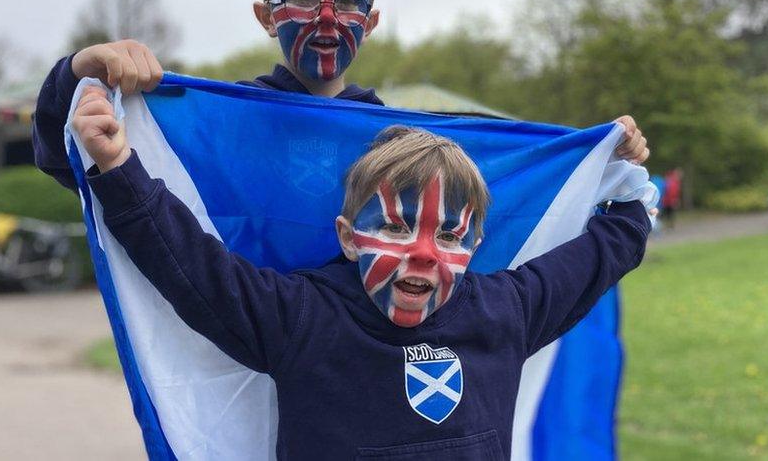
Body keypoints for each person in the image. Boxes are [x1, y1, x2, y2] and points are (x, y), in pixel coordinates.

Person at [71, 86, 651, 458]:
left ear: (475, 244)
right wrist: (119, 167)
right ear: (348, 239)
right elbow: (194, 268)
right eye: (396, 228)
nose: (422, 254)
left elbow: (601, 252)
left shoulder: (507, 312)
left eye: (448, 235)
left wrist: (622, 176)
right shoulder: (300, 318)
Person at [32, 0, 650, 193]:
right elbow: (69, 165)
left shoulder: (399, 146)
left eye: (349, 3)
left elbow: (514, 186)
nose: (328, 18)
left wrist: (599, 156)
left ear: (372, 22)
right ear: (267, 17)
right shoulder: (217, 128)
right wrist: (80, 72)